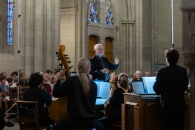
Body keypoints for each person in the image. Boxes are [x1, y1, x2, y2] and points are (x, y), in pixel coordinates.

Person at [51, 58, 103, 130]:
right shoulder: (94, 85)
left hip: (74, 121)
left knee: (54, 128)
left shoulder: (71, 80)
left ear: (78, 68)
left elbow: (56, 93)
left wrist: (59, 78)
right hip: (90, 122)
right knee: (102, 127)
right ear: (89, 69)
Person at [153, 48, 188, 130]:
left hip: (167, 105)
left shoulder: (162, 72)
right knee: (180, 127)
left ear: (167, 59)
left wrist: (163, 93)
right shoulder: (183, 71)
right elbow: (185, 87)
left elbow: (156, 87)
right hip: (180, 105)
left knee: (169, 127)